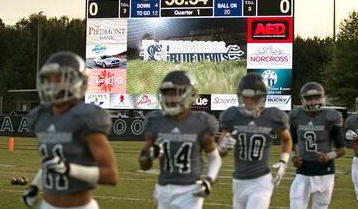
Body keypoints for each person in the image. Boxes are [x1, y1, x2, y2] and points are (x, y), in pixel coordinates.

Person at [22, 51, 118, 208]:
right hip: (47, 204)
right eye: (49, 79)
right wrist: (35, 186)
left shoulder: (86, 117)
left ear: (77, 82)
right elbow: (52, 161)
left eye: (59, 79)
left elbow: (111, 175)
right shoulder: (41, 116)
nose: (52, 85)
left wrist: (69, 169)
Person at [138, 70, 222, 209]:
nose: (170, 98)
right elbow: (143, 165)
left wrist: (209, 181)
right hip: (163, 189)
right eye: (167, 93)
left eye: (175, 93)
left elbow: (215, 158)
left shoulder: (202, 122)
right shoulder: (155, 120)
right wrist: (150, 155)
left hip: (190, 191)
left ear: (190, 94)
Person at [218, 73, 292, 209]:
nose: (249, 102)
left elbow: (287, 139)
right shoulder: (232, 115)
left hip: (261, 181)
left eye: (254, 98)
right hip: (238, 181)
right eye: (245, 98)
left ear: (263, 97)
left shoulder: (273, 116)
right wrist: (223, 146)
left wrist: (283, 161)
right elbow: (221, 152)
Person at [288, 82, 346, 209]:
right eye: (309, 98)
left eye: (316, 97)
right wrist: (293, 157)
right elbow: (291, 141)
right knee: (295, 204)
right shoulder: (296, 115)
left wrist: (328, 156)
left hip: (324, 171)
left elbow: (342, 149)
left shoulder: (331, 117)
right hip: (303, 170)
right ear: (303, 99)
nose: (313, 101)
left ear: (322, 98)